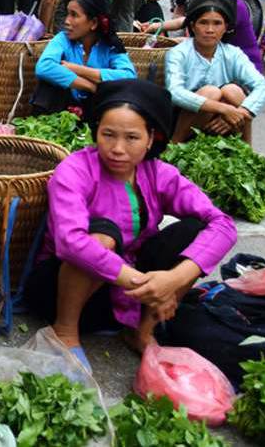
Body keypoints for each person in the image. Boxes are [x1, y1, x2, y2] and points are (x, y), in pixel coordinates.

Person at [26, 78, 237, 369]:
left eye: (132, 138)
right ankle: (65, 331)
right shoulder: (74, 170)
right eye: (108, 134)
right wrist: (142, 283)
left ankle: (141, 331)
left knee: (194, 229)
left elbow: (224, 224)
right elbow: (70, 243)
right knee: (104, 234)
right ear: (96, 131)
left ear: (151, 138)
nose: (117, 148)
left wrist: (173, 281)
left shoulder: (159, 173)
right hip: (61, 291)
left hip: (127, 295)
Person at [166, 0, 265, 143]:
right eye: (203, 23)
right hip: (184, 117)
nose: (210, 30)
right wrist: (221, 108)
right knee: (211, 92)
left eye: (217, 23)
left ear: (225, 27)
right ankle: (176, 142)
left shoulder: (233, 54)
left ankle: (247, 146)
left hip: (225, 120)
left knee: (233, 91)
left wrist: (241, 112)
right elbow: (175, 92)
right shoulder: (179, 53)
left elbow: (263, 86)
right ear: (193, 26)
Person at [145, 0, 265, 71]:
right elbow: (186, 20)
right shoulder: (211, 2)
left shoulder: (237, 7)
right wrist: (154, 26)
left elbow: (204, 41)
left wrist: (166, 42)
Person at [33, 0, 136, 114]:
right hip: (62, 108)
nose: (67, 21)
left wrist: (78, 69)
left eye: (74, 15)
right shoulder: (63, 39)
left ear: (93, 23)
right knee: (47, 85)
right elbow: (44, 66)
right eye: (67, 14)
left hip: (96, 109)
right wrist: (91, 86)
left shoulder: (111, 46)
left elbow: (129, 76)